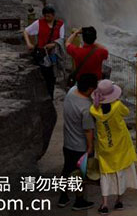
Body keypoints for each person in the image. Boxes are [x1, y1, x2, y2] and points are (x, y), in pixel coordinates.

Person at [90, 80, 137, 214]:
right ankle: (119, 201)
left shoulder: (94, 109)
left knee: (105, 174)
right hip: (121, 144)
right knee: (121, 172)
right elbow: (127, 112)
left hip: (105, 146)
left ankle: (104, 204)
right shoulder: (118, 106)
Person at [57, 73, 97, 211]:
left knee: (67, 169)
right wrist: (90, 147)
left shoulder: (71, 92)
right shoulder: (86, 107)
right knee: (80, 174)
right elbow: (88, 130)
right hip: (80, 146)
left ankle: (63, 197)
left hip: (68, 142)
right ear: (90, 89)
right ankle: (79, 201)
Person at [23, 5, 65, 98]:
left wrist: (53, 44)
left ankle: (50, 94)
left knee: (52, 76)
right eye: (45, 16)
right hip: (42, 53)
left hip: (53, 54)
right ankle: (47, 95)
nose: (47, 18)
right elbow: (26, 31)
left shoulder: (60, 24)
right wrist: (29, 43)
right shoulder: (39, 23)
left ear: (53, 15)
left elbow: (61, 39)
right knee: (45, 74)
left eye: (49, 16)